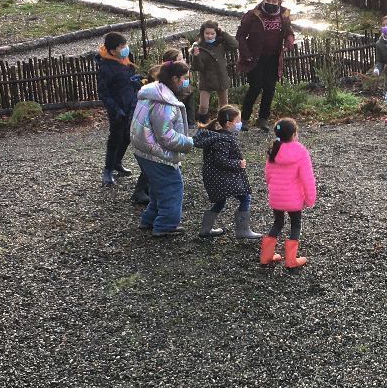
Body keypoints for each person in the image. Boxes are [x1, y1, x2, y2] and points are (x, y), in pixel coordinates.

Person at [130, 60, 195, 237]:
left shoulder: (154, 92)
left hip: (145, 149)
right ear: (175, 78)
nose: (187, 81)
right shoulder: (164, 102)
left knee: (159, 189)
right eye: (185, 78)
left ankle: (150, 220)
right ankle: (166, 224)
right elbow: (166, 136)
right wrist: (189, 142)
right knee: (172, 187)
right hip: (157, 153)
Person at [192, 104, 262, 239]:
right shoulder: (223, 140)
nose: (240, 124)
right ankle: (243, 230)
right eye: (238, 121)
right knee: (245, 197)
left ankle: (206, 229)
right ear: (229, 124)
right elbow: (220, 160)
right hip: (222, 178)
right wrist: (238, 164)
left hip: (217, 178)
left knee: (220, 202)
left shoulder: (218, 137)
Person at [236, 0, 295, 132]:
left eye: (274, 1)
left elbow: (289, 33)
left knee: (269, 88)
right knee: (255, 86)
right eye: (268, 0)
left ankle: (263, 119)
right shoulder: (253, 15)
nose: (270, 3)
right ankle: (244, 119)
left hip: (274, 57)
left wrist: (288, 43)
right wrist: (246, 54)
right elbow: (241, 35)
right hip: (256, 57)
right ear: (263, 0)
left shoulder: (283, 15)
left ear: (279, 2)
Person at [260, 118, 316, 268]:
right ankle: (291, 260)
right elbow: (307, 178)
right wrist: (310, 199)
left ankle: (266, 256)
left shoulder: (274, 149)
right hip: (294, 199)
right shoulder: (300, 151)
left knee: (278, 223)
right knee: (295, 225)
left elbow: (268, 175)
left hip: (276, 197)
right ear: (294, 134)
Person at [96, 31, 140, 187]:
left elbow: (128, 81)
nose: (125, 48)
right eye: (122, 46)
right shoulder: (106, 67)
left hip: (130, 103)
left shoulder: (125, 60)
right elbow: (103, 92)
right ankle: (107, 170)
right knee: (115, 137)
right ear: (113, 50)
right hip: (117, 108)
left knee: (128, 137)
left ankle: (117, 163)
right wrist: (114, 109)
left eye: (125, 45)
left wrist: (135, 83)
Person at [191, 20, 237, 125]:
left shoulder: (220, 44)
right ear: (203, 33)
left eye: (212, 33)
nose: (210, 36)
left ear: (216, 34)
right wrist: (196, 57)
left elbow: (234, 44)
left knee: (224, 106)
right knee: (203, 107)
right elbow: (198, 68)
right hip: (206, 80)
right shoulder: (198, 47)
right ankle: (203, 126)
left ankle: (223, 125)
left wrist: (222, 33)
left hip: (221, 78)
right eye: (207, 33)